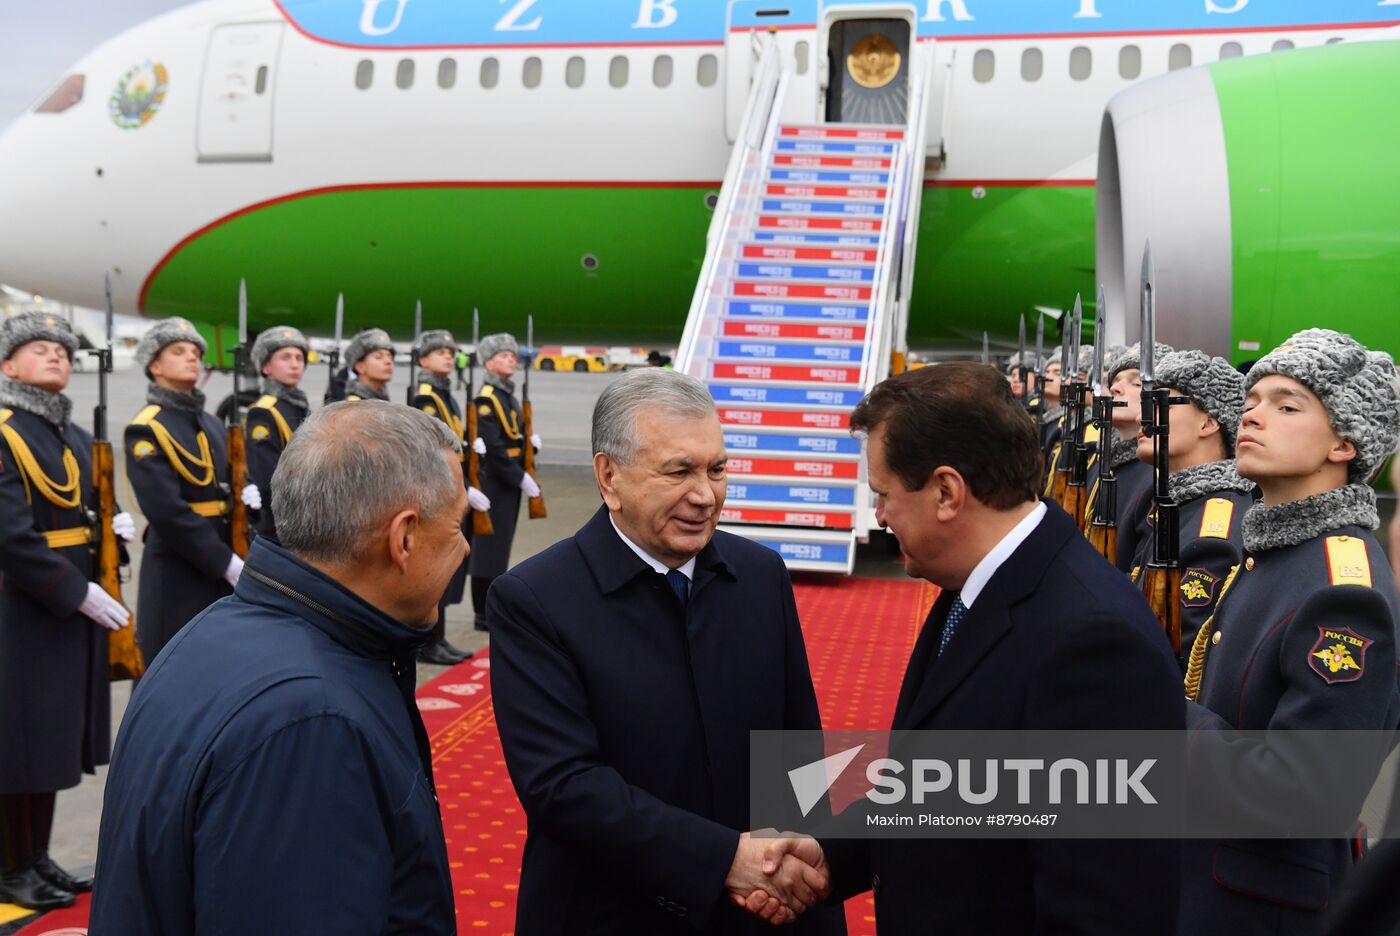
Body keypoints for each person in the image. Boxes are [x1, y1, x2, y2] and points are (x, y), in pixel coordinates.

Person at [813, 362, 1182, 935]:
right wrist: (828, 859)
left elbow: (1101, 908)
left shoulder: (1092, 646)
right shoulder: (978, 580)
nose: (879, 515)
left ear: (945, 492)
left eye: (882, 495)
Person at [488, 368, 844, 934]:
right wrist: (724, 859)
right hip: (611, 913)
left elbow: (798, 745)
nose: (705, 495)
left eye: (717, 469)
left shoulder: (760, 574)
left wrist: (806, 883)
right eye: (678, 471)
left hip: (763, 912)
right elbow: (563, 784)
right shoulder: (535, 598)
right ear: (609, 477)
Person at [89, 401, 464, 932]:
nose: (465, 546)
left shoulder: (215, 629)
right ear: (402, 538)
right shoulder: (312, 721)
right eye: (454, 529)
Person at [1180, 329, 1400, 935]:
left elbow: (1304, 793)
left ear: (1345, 444)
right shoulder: (1276, 550)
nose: (1253, 414)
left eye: (1287, 404)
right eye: (1252, 401)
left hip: (1258, 908)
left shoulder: (1342, 590)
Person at [0, 313, 133, 910]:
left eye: (61, 349)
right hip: (20, 608)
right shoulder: (5, 430)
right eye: (39, 349)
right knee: (14, 746)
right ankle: (8, 867)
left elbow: (84, 513)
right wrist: (71, 590)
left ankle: (35, 856)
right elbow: (9, 534)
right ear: (7, 366)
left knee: (50, 742)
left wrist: (115, 532)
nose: (56, 356)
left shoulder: (70, 434)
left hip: (62, 608)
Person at [125, 318, 253, 665]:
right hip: (178, 571)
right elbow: (167, 511)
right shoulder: (147, 427)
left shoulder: (211, 423)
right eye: (178, 352)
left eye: (196, 352)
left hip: (222, 560)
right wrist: (223, 562)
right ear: (155, 366)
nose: (192, 357)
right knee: (173, 668)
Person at [1125, 350, 1254, 665]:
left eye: (1162, 402)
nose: (1146, 416)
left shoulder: (1214, 528)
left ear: (1209, 422)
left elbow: (1177, 653)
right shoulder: (1178, 502)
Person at [410, 327, 489, 665]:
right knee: (436, 561)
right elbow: (431, 448)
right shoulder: (427, 395)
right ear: (423, 359)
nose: (448, 356)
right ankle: (429, 641)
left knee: (450, 563)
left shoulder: (447, 394)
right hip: (439, 486)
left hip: (454, 483)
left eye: (450, 352)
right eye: (439, 352)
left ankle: (438, 638)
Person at [468, 332, 541, 631]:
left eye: (512, 356)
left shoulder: (507, 395)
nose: (510, 359)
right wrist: (520, 476)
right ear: (487, 362)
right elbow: (494, 447)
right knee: (488, 548)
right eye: (502, 356)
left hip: (508, 480)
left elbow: (511, 438)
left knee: (501, 547)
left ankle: (491, 607)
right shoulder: (487, 399)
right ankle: (482, 613)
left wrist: (530, 447)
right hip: (495, 482)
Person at [1097, 342, 1173, 572]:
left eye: (1136, 383)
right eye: (1115, 381)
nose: (1116, 389)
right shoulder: (1110, 463)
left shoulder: (1155, 476)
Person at [245, 325, 310, 542]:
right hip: (280, 527)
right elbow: (266, 478)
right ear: (266, 367)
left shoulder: (300, 406)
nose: (295, 364)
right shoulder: (264, 412)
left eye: (299, 358)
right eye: (285, 357)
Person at [343, 327, 394, 401]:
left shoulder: (381, 399)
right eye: (378, 357)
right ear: (360, 367)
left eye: (390, 357)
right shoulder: (355, 405)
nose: (388, 361)